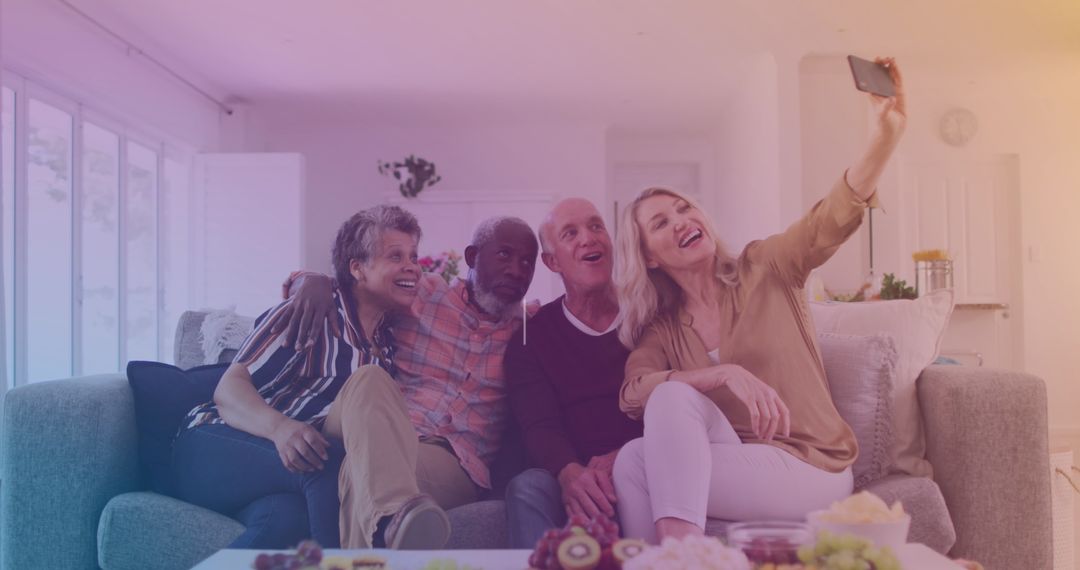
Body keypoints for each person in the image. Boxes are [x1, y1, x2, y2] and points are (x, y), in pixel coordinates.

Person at [611, 58, 907, 544]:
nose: (682, 220)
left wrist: (885, 136)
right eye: (661, 223)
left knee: (642, 462)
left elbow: (828, 220)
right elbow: (633, 394)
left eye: (684, 209)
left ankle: (679, 560)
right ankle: (676, 558)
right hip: (740, 460)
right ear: (647, 257)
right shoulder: (663, 329)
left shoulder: (764, 268)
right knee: (647, 432)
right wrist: (722, 373)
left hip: (809, 466)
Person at [171, 205, 422, 548]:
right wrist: (281, 429)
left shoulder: (386, 344)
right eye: (396, 255)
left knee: (286, 520)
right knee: (323, 462)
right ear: (357, 268)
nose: (412, 266)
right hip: (214, 442)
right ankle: (382, 539)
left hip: (279, 472)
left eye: (414, 255)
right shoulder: (312, 310)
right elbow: (229, 389)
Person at [286, 216, 539, 548]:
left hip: (455, 462)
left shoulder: (529, 329)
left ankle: (387, 522)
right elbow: (363, 283)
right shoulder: (425, 294)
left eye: (527, 262)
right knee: (369, 382)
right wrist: (309, 279)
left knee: (357, 472)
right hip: (392, 430)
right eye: (505, 255)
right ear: (472, 257)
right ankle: (393, 524)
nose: (517, 270)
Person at [503, 198, 642, 548]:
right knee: (526, 487)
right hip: (570, 469)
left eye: (596, 227)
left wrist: (625, 456)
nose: (588, 238)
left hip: (640, 460)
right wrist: (569, 473)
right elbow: (539, 424)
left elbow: (669, 406)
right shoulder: (530, 337)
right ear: (552, 262)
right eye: (571, 233)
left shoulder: (647, 316)